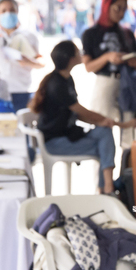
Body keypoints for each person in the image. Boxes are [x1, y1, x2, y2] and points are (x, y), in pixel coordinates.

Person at [29, 40, 118, 194]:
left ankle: (105, 188)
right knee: (104, 147)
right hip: (54, 142)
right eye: (77, 52)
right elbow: (80, 110)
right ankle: (107, 189)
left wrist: (102, 122)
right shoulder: (56, 84)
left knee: (104, 133)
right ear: (70, 59)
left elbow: (77, 114)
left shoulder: (66, 79)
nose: (81, 54)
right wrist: (103, 119)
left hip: (70, 134)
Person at [80, 0, 136, 140]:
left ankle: (128, 162)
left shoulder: (127, 33)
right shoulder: (91, 33)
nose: (121, 13)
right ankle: (103, 163)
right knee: (102, 127)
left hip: (127, 83)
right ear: (107, 6)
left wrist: (132, 62)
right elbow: (88, 67)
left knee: (129, 131)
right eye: (117, 8)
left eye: (124, 9)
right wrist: (107, 57)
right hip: (105, 82)